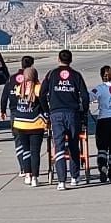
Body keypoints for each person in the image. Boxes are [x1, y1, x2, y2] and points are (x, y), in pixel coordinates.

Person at [38, 48, 89, 189]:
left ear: (58, 59)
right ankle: (75, 176)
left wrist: (46, 111)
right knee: (74, 145)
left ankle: (61, 180)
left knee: (59, 146)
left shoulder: (51, 74)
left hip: (56, 114)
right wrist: (84, 112)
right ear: (71, 60)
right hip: (72, 114)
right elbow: (85, 96)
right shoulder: (76, 75)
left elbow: (42, 94)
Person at [6, 64, 46, 185]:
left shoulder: (19, 88)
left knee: (26, 151)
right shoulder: (38, 88)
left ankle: (27, 174)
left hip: (20, 124)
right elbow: (44, 107)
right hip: (35, 124)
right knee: (35, 152)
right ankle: (34, 177)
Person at [0, 54, 36, 123]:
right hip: (29, 110)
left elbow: (4, 96)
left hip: (14, 110)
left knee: (16, 132)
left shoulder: (11, 79)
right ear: (32, 65)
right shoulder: (32, 78)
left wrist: (3, 110)